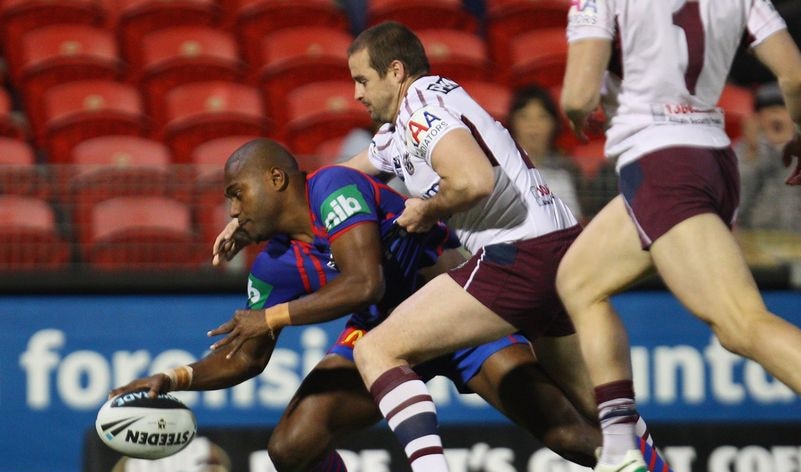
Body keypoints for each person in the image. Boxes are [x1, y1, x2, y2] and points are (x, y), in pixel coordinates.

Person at [111, 139, 614, 470]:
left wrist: (271, 316)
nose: (232, 209)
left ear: (277, 179)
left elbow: (364, 282)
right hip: (380, 338)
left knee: (569, 433)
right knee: (291, 446)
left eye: (237, 193)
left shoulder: (332, 186)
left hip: (459, 313)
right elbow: (246, 356)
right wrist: (175, 378)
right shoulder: (272, 266)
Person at [312, 21, 670, 471]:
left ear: (396, 72)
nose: (357, 94)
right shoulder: (422, 110)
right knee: (603, 410)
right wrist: (264, 216)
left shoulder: (420, 112)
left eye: (362, 80)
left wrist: (425, 209)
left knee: (376, 350)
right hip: (561, 251)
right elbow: (339, 177)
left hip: (518, 255)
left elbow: (474, 180)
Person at [555, 1, 801, 471]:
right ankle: (622, 446)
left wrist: (581, 111)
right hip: (710, 157)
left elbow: (576, 95)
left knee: (741, 323)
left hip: (661, 164)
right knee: (579, 281)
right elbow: (796, 76)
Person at [735, 82, 801, 243]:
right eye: (768, 110)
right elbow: (734, 207)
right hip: (760, 247)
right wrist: (752, 156)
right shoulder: (743, 150)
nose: (777, 114)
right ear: (757, 119)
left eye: (786, 109)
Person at [507, 84, 584, 220]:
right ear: (512, 122)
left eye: (542, 117)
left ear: (554, 123)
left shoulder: (568, 169)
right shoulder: (501, 167)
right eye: (524, 116)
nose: (533, 125)